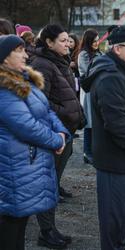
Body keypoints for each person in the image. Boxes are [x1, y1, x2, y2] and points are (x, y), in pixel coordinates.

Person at [82, 26, 125, 250]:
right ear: (118, 49)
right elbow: (117, 124)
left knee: (122, 218)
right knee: (113, 220)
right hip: (115, 161)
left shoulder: (122, 71)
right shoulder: (110, 77)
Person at [0, 34, 69, 250]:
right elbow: (26, 126)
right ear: (3, 59)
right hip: (13, 168)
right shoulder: (4, 88)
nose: (25, 54)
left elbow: (47, 111)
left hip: (25, 167)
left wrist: (62, 133)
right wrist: (55, 141)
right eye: (19, 51)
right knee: (10, 229)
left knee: (19, 226)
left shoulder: (25, 79)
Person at [31, 24, 84, 249]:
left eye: (68, 40)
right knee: (48, 184)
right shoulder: (43, 64)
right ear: (49, 43)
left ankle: (51, 229)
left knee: (53, 184)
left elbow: (68, 93)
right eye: (62, 41)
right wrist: (66, 111)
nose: (68, 44)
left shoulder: (60, 62)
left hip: (66, 131)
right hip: (55, 133)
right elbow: (39, 101)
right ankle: (46, 232)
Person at [78, 29, 101, 165]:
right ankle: (87, 152)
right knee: (89, 123)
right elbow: (87, 73)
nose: (97, 43)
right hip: (88, 92)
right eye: (94, 40)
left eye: (98, 40)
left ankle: (94, 151)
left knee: (96, 122)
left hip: (98, 91)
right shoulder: (84, 55)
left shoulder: (98, 53)